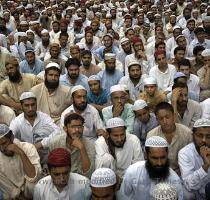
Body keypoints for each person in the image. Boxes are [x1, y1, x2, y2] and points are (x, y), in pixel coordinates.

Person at [9, 92, 60, 160]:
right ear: (21, 106)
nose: (30, 109)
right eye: (26, 105)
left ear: (36, 104)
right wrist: (27, 147)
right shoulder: (17, 121)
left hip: (45, 154)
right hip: (26, 155)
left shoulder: (44, 117)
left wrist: (41, 143)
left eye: (33, 105)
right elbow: (9, 137)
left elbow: (58, 132)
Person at [147, 102, 192, 175]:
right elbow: (150, 159)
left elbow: (190, 158)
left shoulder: (187, 133)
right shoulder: (152, 135)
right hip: (160, 172)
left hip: (183, 172)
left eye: (167, 117)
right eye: (161, 118)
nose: (165, 121)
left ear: (174, 116)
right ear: (157, 120)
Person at [0, 123, 41, 199]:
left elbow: (33, 176)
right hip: (14, 196)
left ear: (12, 138)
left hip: (34, 192)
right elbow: (11, 190)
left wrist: (21, 153)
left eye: (4, 143)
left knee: (32, 185)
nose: (2, 149)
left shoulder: (28, 148)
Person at [178, 118, 210, 200]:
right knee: (186, 194)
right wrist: (205, 166)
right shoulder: (184, 153)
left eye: (208, 137)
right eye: (199, 136)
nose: (204, 140)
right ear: (193, 136)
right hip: (195, 193)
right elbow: (189, 185)